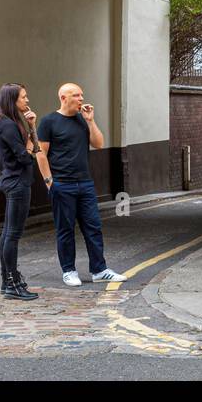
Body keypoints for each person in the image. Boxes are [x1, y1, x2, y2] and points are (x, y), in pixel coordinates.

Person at [35, 83, 127, 286]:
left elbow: (99, 143)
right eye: (76, 95)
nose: (81, 99)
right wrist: (49, 181)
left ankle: (99, 270)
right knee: (65, 229)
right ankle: (69, 270)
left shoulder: (82, 120)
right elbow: (40, 152)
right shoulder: (49, 121)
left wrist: (91, 121)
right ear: (63, 98)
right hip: (62, 184)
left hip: (85, 184)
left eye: (81, 95)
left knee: (93, 227)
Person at [0, 83, 39, 301]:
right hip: (17, 183)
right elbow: (25, 156)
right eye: (23, 97)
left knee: (8, 233)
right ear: (13, 100)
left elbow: (32, 149)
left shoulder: (8, 123)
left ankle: (7, 281)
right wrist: (30, 142)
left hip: (13, 181)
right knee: (13, 234)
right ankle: (12, 282)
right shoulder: (8, 125)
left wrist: (31, 127)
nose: (27, 100)